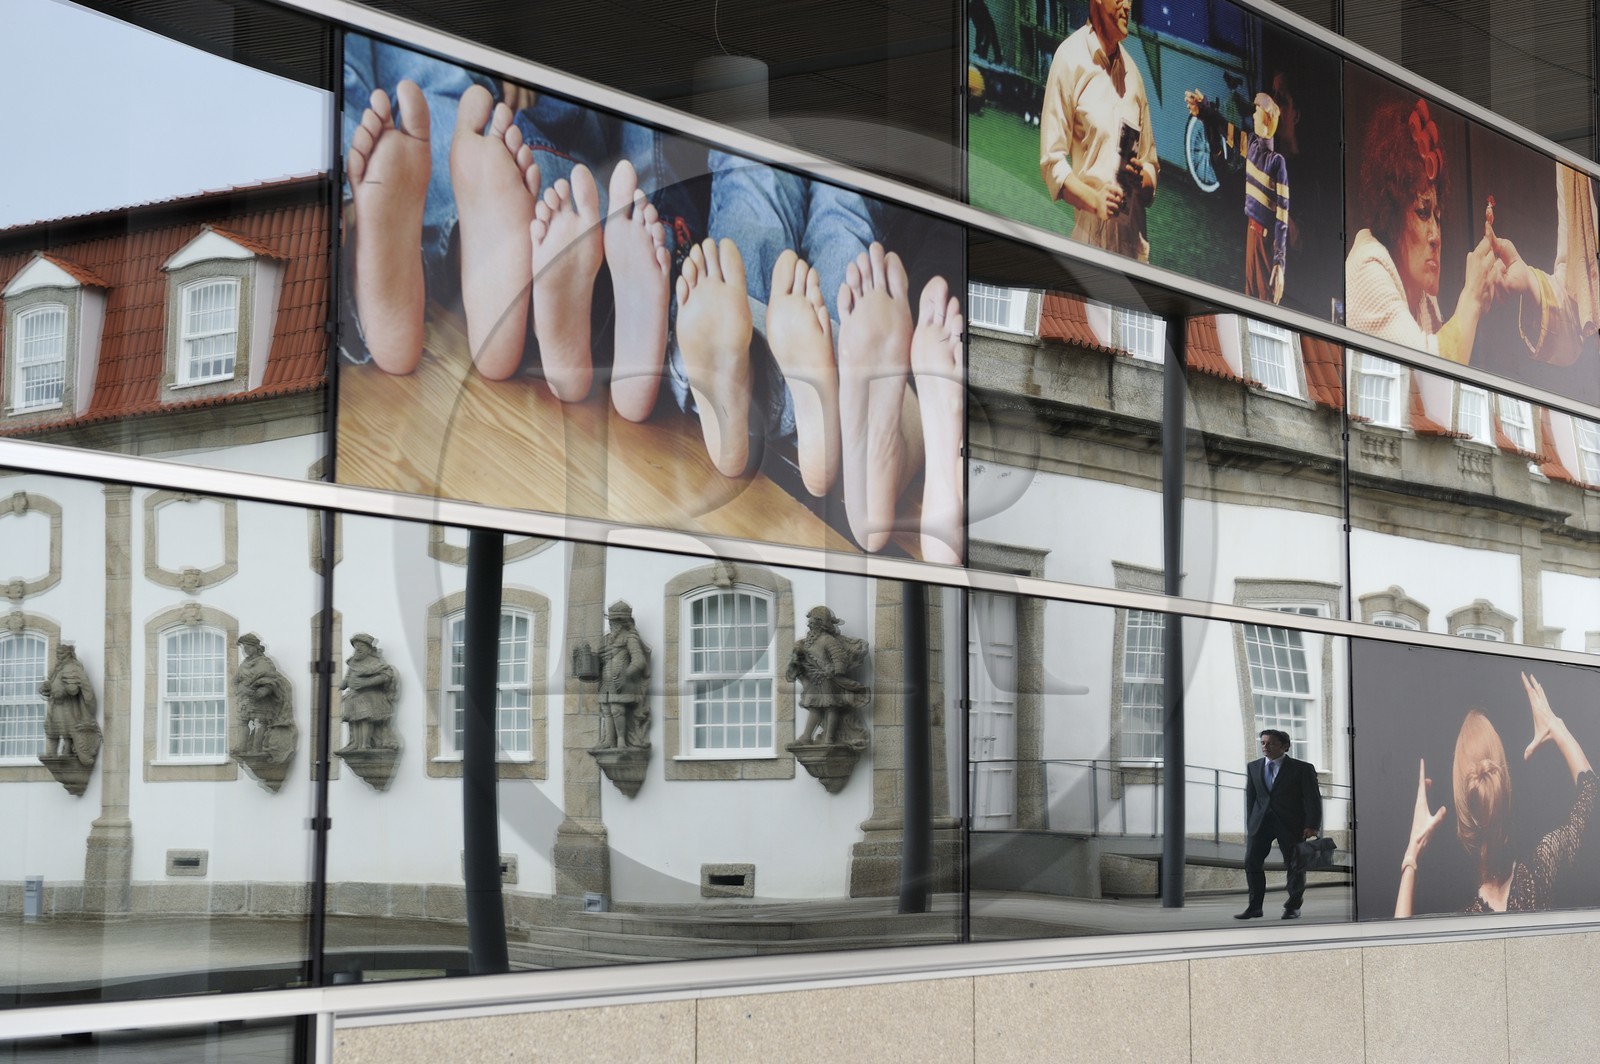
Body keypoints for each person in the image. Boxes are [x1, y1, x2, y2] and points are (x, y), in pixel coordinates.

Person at [1396, 673, 1596, 917]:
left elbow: (1396, 953)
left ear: (1462, 805)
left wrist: (1411, 855)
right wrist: (1555, 726)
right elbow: (1591, 796)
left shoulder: (1461, 921)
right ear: (1506, 786)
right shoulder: (1540, 872)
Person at [1345, 97, 1499, 365]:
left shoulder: (1423, 299)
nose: (1435, 235)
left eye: (1437, 218)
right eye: (1422, 212)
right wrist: (1471, 298)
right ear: (1391, 214)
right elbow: (1430, 376)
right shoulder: (1367, 269)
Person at [1038, 0, 1157, 261]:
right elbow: (1052, 163)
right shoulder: (1069, 59)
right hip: (1091, 247)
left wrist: (1142, 179)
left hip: (1135, 251)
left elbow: (1150, 164)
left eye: (1130, 0)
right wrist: (1095, 200)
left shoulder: (1134, 76)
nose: (1127, 6)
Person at [1185, 89, 1290, 304]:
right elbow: (1225, 129)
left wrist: (1279, 261)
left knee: (1265, 297)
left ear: (1267, 119)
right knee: (1249, 291)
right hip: (1251, 231)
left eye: (1257, 111)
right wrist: (1204, 109)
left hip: (1265, 237)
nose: (1253, 115)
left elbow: (1282, 215)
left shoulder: (1276, 162)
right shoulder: (1251, 144)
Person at [1238, 728, 1323, 920]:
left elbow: (1312, 798)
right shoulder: (1253, 767)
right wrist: (1250, 824)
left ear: (1285, 746)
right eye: (1262, 743)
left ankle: (1293, 907)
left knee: (1294, 865)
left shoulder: (1302, 768)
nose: (1265, 746)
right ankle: (1254, 907)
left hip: (1291, 823)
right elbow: (1250, 798)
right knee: (1251, 862)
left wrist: (1312, 824)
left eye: (1270, 743)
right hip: (1260, 824)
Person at [785, 605, 871, 748]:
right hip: (813, 681)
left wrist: (834, 670)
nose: (809, 624)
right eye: (809, 621)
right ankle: (806, 737)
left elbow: (839, 658)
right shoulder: (807, 642)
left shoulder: (828, 640)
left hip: (827, 679)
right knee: (814, 707)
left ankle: (829, 738)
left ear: (820, 622)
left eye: (812, 621)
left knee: (831, 707)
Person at [232, 633, 296, 762]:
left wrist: (263, 691)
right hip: (246, 699)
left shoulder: (265, 663)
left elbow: (272, 680)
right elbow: (235, 682)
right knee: (243, 722)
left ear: (256, 647)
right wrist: (241, 689)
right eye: (244, 647)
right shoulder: (243, 664)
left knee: (260, 723)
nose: (246, 650)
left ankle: (257, 748)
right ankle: (242, 747)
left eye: (248, 646)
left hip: (261, 700)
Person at [597, 601, 652, 749]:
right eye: (610, 620)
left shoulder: (630, 637)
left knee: (616, 709)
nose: (611, 624)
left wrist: (626, 675)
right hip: (606, 680)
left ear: (622, 622)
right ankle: (609, 739)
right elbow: (600, 659)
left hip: (622, 680)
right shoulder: (606, 639)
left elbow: (639, 660)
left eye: (614, 621)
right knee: (606, 710)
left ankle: (621, 740)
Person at [40, 643, 99, 767]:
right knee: (53, 728)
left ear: (68, 654)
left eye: (61, 653)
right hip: (55, 705)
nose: (58, 655)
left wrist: (67, 688)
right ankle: (52, 753)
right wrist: (47, 688)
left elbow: (75, 690)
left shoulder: (72, 668)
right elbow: (52, 684)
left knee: (67, 728)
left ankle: (67, 751)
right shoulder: (58, 669)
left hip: (67, 706)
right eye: (57, 653)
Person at [338, 633, 399, 752]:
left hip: (369, 696)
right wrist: (343, 684)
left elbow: (386, 676)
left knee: (364, 719)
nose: (358, 648)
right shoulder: (353, 662)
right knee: (354, 720)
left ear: (368, 648)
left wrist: (366, 683)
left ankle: (365, 744)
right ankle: (355, 743)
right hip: (353, 696)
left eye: (361, 645)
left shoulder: (375, 662)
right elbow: (348, 676)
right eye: (355, 646)